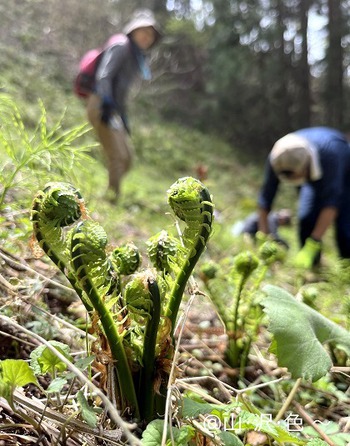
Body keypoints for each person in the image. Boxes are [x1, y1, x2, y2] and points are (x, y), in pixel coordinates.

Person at [85, 9, 161, 201]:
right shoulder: (121, 46)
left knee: (126, 159)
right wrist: (107, 104)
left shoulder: (136, 58)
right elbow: (104, 76)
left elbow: (123, 94)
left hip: (114, 110)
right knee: (118, 157)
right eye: (143, 30)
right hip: (100, 104)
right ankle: (111, 200)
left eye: (151, 34)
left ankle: (108, 192)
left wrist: (124, 119)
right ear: (133, 31)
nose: (147, 36)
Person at [257, 127, 350, 268]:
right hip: (313, 172)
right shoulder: (278, 156)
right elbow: (265, 198)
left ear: (306, 166)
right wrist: (264, 236)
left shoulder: (331, 156)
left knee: (345, 230)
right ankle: (314, 267)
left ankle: (347, 270)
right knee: (306, 219)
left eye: (295, 176)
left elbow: (331, 203)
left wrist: (314, 242)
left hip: (344, 175)